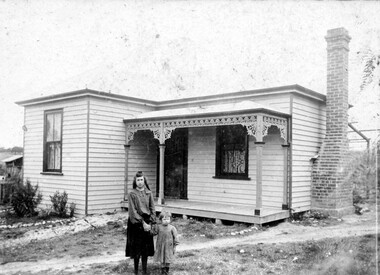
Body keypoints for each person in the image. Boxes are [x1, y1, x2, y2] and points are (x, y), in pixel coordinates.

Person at [125, 171, 156, 275]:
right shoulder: (132, 194)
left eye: (141, 180)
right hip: (136, 223)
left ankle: (144, 271)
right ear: (135, 181)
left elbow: (152, 209)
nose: (140, 182)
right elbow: (133, 212)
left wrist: (151, 223)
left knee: (145, 250)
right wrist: (143, 223)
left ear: (144, 180)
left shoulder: (149, 193)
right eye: (138, 180)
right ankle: (136, 271)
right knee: (136, 249)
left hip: (147, 223)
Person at [152, 211, 179, 275]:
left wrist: (175, 246)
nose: (166, 221)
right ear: (161, 220)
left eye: (168, 219)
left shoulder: (172, 228)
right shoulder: (159, 227)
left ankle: (167, 270)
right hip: (161, 245)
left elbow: (176, 237)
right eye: (164, 219)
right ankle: (162, 270)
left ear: (170, 219)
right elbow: (154, 233)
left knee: (168, 257)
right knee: (162, 257)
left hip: (169, 246)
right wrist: (153, 227)